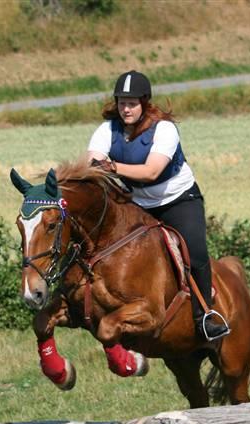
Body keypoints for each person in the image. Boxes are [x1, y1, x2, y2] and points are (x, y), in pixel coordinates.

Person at [87, 70, 230, 341]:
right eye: (121, 102)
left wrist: (113, 166)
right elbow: (92, 163)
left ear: (144, 102)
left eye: (131, 103)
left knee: (194, 250)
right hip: (138, 203)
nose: (125, 109)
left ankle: (205, 316)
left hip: (177, 200)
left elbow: (152, 172)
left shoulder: (164, 129)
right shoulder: (107, 130)